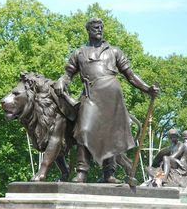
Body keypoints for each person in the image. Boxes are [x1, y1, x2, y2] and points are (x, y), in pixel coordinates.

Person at [54, 17, 159, 183]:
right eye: (95, 27)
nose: (99, 30)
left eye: (101, 27)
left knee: (111, 135)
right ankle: (81, 172)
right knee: (83, 131)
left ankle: (109, 174)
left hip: (112, 97)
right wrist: (61, 81)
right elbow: (68, 75)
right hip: (90, 96)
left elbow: (130, 75)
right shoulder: (79, 53)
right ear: (88, 30)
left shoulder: (114, 51)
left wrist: (147, 89)